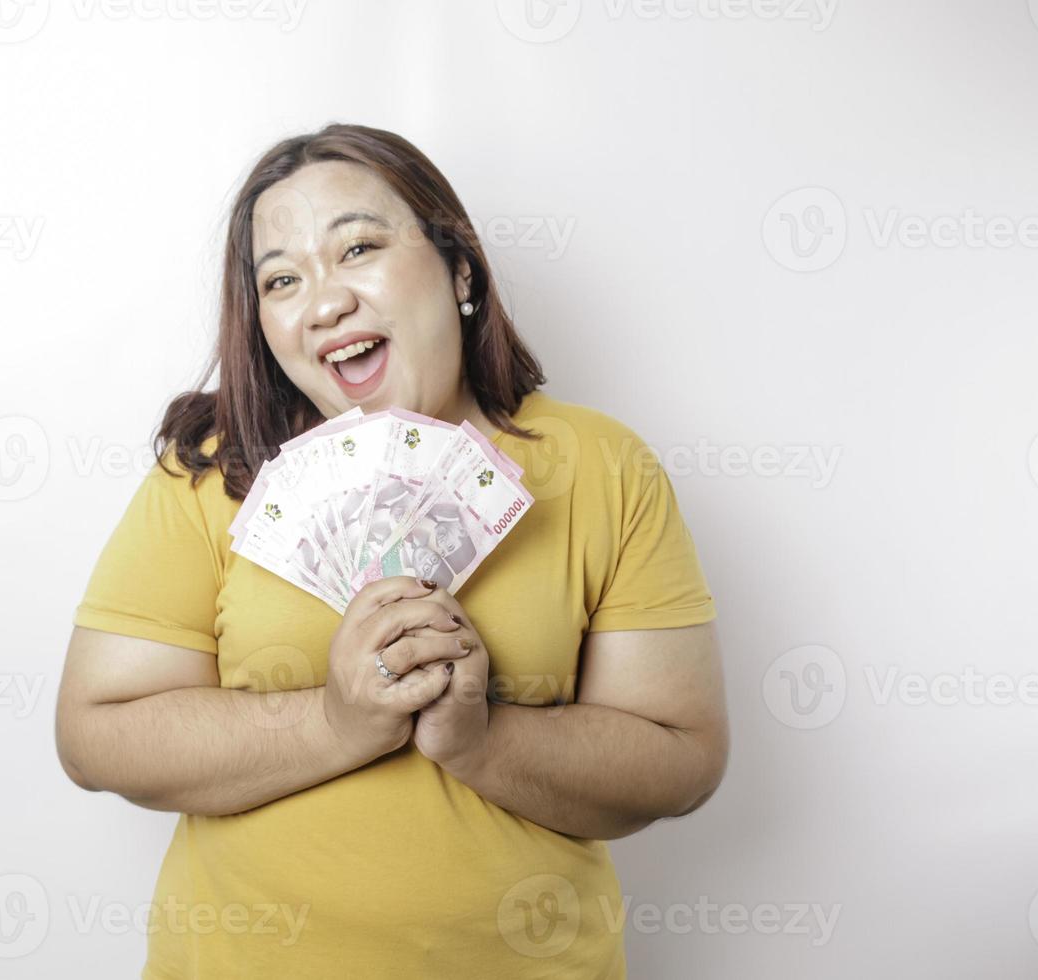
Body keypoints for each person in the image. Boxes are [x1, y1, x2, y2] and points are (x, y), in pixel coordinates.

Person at [55, 122, 728, 979]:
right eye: (283, 280)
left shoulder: (602, 467)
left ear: (460, 270)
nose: (324, 300)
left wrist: (481, 740)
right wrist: (335, 722)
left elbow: (682, 761)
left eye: (359, 247)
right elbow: (94, 736)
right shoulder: (213, 472)